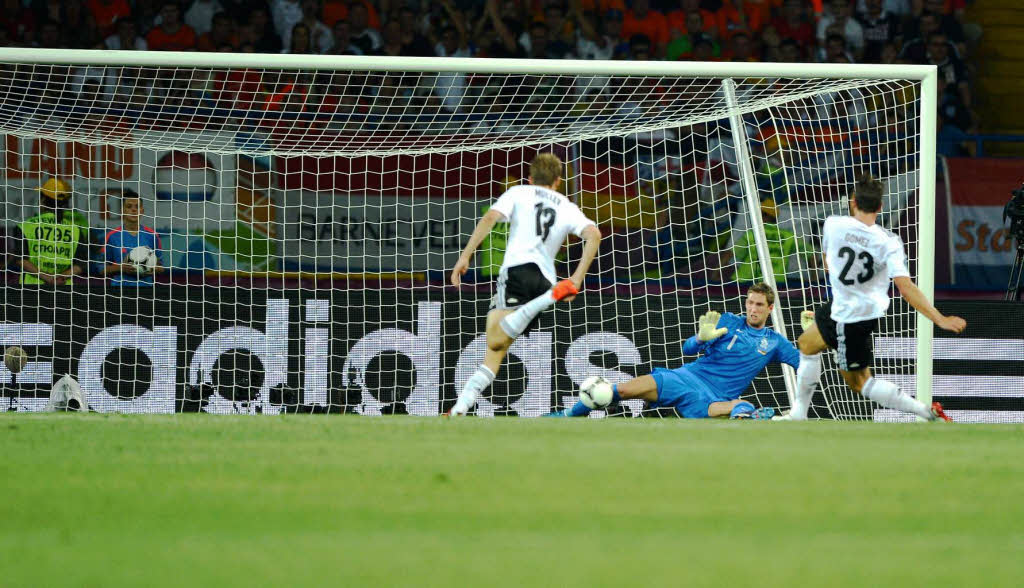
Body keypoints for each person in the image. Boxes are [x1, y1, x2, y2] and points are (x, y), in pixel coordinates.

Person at [780, 174, 966, 422]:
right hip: (851, 310)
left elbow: (828, 263)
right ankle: (798, 414)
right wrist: (939, 318)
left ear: (852, 201)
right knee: (807, 343)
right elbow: (905, 287)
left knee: (860, 383)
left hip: (850, 317)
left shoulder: (833, 224)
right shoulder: (889, 242)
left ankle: (925, 412)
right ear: (880, 207)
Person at [447, 153, 602, 417]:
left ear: (530, 178)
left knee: (494, 338)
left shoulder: (518, 192)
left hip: (518, 270)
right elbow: (594, 234)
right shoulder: (566, 204)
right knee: (496, 350)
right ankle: (460, 408)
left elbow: (489, 218)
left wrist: (465, 255)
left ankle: (550, 297)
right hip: (545, 279)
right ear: (558, 181)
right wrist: (576, 278)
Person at [549, 283, 796, 419]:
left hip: (714, 398)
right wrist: (700, 338)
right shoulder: (728, 321)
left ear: (770, 308)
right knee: (620, 389)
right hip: (685, 377)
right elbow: (687, 349)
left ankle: (749, 418)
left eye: (759, 305)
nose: (753, 308)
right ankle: (566, 415)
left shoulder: (774, 342)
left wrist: (813, 333)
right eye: (750, 302)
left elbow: (804, 361)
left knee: (741, 406)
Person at [12, 178, 92, 286]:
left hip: (31, 290)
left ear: (42, 201)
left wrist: (47, 278)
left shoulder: (25, 226)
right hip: (64, 289)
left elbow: (20, 259)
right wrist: (62, 277)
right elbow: (81, 264)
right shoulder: (76, 230)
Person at [103, 189, 165, 286]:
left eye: (137, 207)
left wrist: (149, 268)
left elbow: (161, 267)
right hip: (119, 291)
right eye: (129, 206)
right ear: (122, 210)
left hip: (146, 290)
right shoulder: (112, 236)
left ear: (142, 211)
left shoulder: (152, 235)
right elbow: (101, 269)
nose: (134, 210)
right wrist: (121, 268)